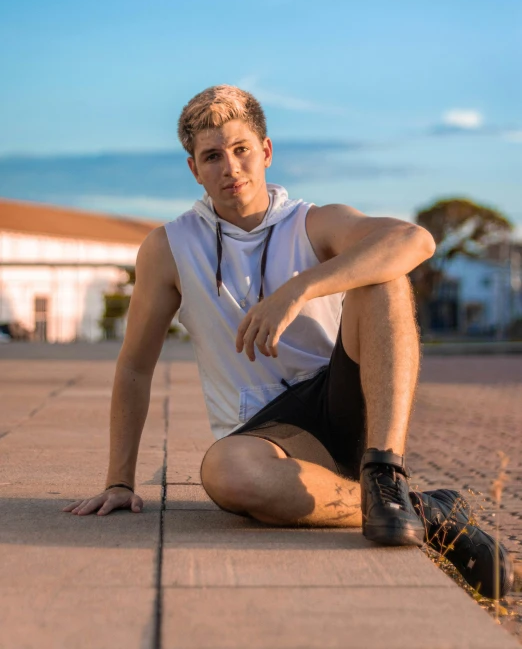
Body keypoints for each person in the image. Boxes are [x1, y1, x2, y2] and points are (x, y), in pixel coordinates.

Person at [63, 85, 514, 599]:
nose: (230, 167)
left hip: (344, 399)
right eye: (212, 156)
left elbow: (416, 240)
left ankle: (386, 470)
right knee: (224, 471)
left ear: (266, 152)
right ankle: (424, 508)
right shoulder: (169, 249)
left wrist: (300, 288)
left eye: (241, 150)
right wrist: (120, 481)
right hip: (268, 434)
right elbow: (135, 367)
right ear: (194, 169)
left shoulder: (312, 222)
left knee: (385, 276)